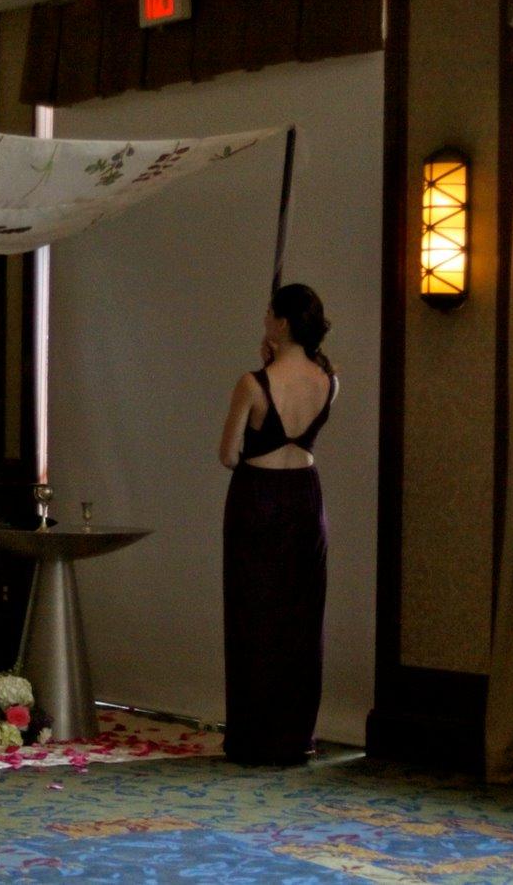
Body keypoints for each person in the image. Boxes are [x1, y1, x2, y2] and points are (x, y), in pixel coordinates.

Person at [216, 283, 338, 765]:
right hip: (306, 499)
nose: (264, 316)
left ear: (282, 324)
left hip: (257, 501)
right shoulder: (331, 380)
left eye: (270, 312)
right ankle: (294, 735)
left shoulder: (252, 382)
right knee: (301, 618)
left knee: (253, 618)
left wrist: (266, 370)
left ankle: (254, 738)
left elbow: (227, 455)